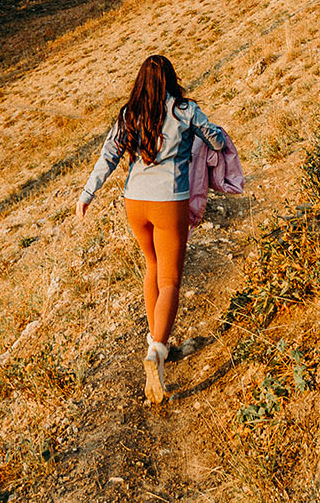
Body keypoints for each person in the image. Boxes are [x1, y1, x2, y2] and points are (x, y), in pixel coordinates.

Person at [74, 54, 231, 404]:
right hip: (168, 201)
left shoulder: (130, 114)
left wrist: (87, 194)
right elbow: (216, 141)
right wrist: (213, 135)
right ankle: (157, 351)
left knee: (152, 267)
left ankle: (157, 339)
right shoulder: (185, 111)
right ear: (172, 79)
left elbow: (108, 156)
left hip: (135, 201)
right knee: (171, 279)